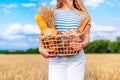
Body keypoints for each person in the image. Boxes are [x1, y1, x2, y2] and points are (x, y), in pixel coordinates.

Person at [39, 0, 91, 80]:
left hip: (77, 60)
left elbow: (86, 37)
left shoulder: (83, 15)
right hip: (57, 58)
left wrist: (82, 45)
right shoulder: (52, 13)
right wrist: (41, 48)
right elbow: (44, 34)